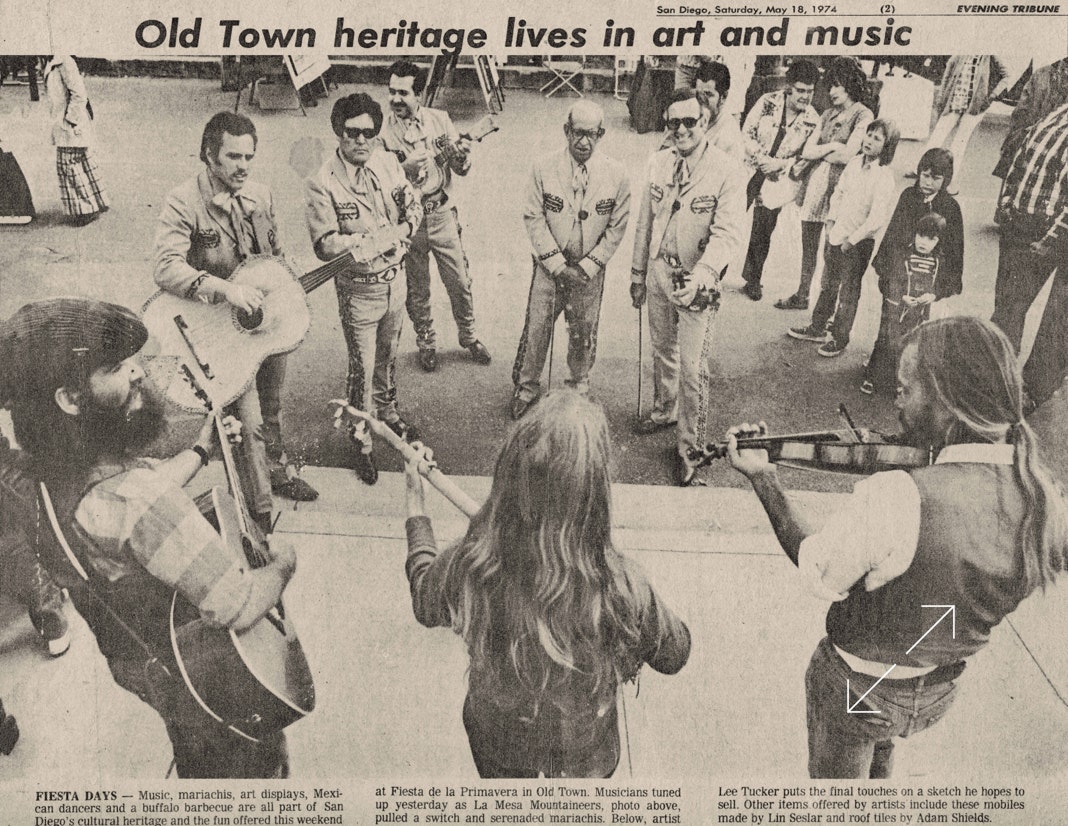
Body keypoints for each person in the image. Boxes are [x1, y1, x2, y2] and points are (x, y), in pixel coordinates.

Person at [726, 315, 1067, 779]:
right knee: (881, 750)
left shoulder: (900, 495)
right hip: (937, 690)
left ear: (946, 401)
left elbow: (818, 567)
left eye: (906, 389)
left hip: (859, 693)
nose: (896, 401)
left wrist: (765, 480)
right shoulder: (1044, 497)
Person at [0, 297, 297, 778]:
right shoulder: (139, 498)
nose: (138, 372)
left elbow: (128, 501)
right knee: (247, 771)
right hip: (208, 677)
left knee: (193, 750)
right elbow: (233, 604)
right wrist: (283, 564)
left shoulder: (44, 478)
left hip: (143, 665)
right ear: (70, 399)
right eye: (117, 366)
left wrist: (201, 450)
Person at [403, 392, 691, 778]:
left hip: (497, 743)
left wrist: (416, 510)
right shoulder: (622, 584)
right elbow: (675, 654)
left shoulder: (472, 564)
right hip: (585, 757)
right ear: (595, 497)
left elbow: (425, 600)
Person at [154, 112, 318, 518]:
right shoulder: (183, 200)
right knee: (247, 422)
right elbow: (165, 267)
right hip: (218, 331)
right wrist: (226, 289)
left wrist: (286, 269)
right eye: (233, 156)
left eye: (249, 156)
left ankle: (277, 472)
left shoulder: (260, 194)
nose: (243, 166)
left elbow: (274, 254)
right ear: (209, 155)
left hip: (264, 324)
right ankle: (259, 513)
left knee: (272, 403)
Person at [305, 93, 424, 486]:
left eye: (369, 134)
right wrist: (366, 241)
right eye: (352, 133)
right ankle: (362, 440)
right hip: (359, 289)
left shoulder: (389, 163)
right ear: (339, 132)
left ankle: (388, 415)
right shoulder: (323, 181)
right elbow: (324, 243)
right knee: (362, 368)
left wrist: (403, 231)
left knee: (389, 358)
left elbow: (413, 205)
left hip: (396, 281)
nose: (361, 141)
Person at [630, 88, 746, 486]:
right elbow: (645, 222)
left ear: (706, 121)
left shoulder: (728, 170)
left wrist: (702, 275)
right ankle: (665, 409)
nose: (681, 130)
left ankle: (690, 449)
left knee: (694, 369)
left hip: (701, 280)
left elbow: (727, 234)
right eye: (673, 122)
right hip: (660, 274)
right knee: (663, 350)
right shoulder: (658, 163)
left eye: (689, 122)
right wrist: (636, 274)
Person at [511, 100, 631, 419]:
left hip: (588, 273)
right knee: (537, 328)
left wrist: (587, 266)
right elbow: (533, 216)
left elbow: (617, 227)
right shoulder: (543, 167)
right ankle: (526, 386)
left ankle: (579, 383)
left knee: (584, 330)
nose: (583, 142)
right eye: (577, 133)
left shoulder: (617, 174)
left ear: (601, 134)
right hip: (549, 270)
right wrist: (556, 265)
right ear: (566, 131)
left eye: (592, 135)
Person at [378, 59, 491, 373]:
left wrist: (463, 158)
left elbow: (459, 168)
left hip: (440, 214)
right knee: (418, 286)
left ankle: (468, 336)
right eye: (392, 92)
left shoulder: (440, 121)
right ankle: (426, 341)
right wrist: (403, 169)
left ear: (419, 95)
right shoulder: (382, 131)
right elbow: (377, 180)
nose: (396, 99)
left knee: (459, 280)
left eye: (403, 92)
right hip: (408, 222)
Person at [788, 119, 899, 358]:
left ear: (888, 146)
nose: (868, 140)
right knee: (828, 283)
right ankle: (818, 326)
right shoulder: (854, 163)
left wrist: (853, 239)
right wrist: (830, 222)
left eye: (877, 138)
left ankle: (840, 337)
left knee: (849, 291)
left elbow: (876, 218)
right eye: (868, 134)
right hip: (837, 233)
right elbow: (838, 193)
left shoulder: (884, 176)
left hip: (859, 243)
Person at [862, 149, 965, 395]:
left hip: (928, 280)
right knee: (889, 325)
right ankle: (878, 373)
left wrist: (938, 291)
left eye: (936, 178)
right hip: (901, 274)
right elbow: (893, 236)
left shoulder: (951, 207)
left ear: (946, 179)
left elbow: (954, 253)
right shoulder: (909, 196)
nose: (928, 183)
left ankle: (907, 380)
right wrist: (889, 278)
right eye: (925, 176)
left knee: (919, 334)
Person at [776, 58, 873, 311]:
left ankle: (826, 309)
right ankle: (802, 294)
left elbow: (849, 153)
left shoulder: (863, 114)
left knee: (834, 250)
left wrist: (826, 151)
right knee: (808, 245)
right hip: (814, 188)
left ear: (850, 85)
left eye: (837, 86)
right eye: (829, 86)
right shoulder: (828, 114)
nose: (831, 92)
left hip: (842, 191)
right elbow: (808, 151)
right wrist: (831, 146)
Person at [991, 102, 1068, 412]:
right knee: (1008, 306)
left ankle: (1035, 394)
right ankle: (998, 381)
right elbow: (1021, 160)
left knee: (1058, 322)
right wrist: (1008, 203)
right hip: (1025, 222)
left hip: (1054, 230)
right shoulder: (1058, 110)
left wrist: (1051, 239)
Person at [739, 59, 821, 302]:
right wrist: (762, 159)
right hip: (750, 168)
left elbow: (805, 157)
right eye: (801, 90)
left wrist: (780, 166)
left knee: (763, 229)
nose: (806, 96)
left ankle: (753, 279)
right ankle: (714, 270)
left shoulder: (813, 120)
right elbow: (747, 131)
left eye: (810, 91)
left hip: (778, 179)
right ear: (789, 87)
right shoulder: (767, 101)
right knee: (729, 217)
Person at [920, 55, 1011, 194]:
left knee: (959, 144)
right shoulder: (962, 53)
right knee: (937, 136)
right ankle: (921, 169)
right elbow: (949, 69)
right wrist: (942, 95)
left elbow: (1007, 76)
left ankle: (949, 181)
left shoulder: (991, 56)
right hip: (954, 103)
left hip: (974, 108)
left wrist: (992, 95)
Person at [43, 55, 108, 225]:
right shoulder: (52, 61)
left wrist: (70, 120)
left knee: (68, 164)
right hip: (68, 122)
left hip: (72, 123)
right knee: (83, 161)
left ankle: (85, 209)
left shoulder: (64, 61)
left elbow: (79, 94)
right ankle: (99, 200)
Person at [693, 61, 744, 161]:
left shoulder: (728, 134)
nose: (701, 100)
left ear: (723, 97)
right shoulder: (692, 117)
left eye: (708, 94)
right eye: (698, 94)